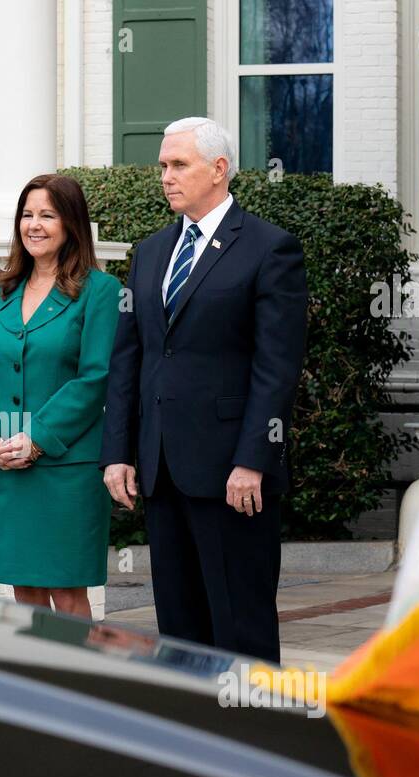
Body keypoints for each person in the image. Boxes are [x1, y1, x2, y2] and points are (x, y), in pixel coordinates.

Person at [99, 117, 308, 663]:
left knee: (240, 627)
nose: (165, 177)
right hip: (162, 471)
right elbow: (129, 360)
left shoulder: (269, 248)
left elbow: (276, 367)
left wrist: (253, 461)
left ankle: (254, 738)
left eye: (178, 165)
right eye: (163, 166)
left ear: (219, 170)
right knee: (179, 629)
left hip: (232, 474)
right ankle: (189, 738)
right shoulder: (149, 254)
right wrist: (118, 452)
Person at [0, 174, 122, 618]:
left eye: (47, 215)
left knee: (68, 594)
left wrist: (34, 440)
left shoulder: (100, 291)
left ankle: (74, 683)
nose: (34, 225)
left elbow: (95, 379)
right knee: (25, 591)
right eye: (27, 215)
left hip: (66, 468)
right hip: (7, 467)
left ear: (71, 223)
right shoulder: (3, 290)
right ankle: (34, 682)